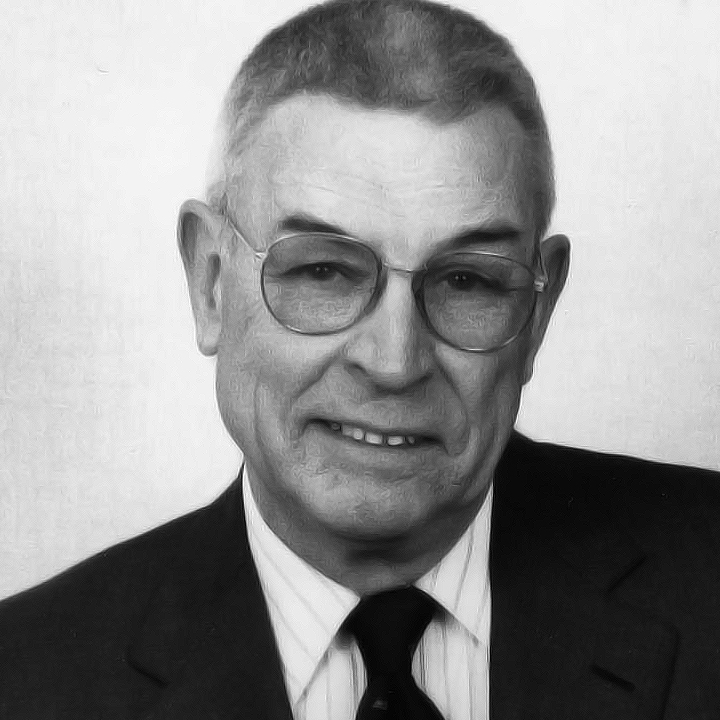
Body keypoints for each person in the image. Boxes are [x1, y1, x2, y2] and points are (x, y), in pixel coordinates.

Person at [1, 0, 718, 717]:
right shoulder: (28, 677)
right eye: (324, 272)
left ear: (538, 311)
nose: (394, 362)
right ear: (211, 282)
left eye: (466, 280)